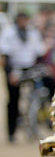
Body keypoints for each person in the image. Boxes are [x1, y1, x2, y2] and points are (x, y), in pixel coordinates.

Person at [0, 12, 46, 141]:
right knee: (13, 100)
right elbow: (5, 55)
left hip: (30, 67)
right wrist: (10, 73)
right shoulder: (9, 33)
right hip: (15, 68)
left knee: (43, 89)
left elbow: (39, 52)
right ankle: (11, 132)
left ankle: (39, 123)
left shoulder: (33, 33)